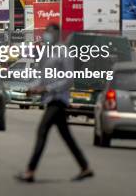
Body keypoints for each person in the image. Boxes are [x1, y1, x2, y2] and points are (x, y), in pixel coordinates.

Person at [15, 24, 93, 183]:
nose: (47, 36)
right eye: (46, 33)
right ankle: (85, 167)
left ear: (57, 34)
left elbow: (69, 78)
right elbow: (43, 77)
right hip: (50, 98)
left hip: (58, 100)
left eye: (50, 33)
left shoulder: (64, 51)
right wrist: (32, 87)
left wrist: (47, 88)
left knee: (42, 131)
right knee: (66, 136)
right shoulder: (47, 52)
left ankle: (30, 171)